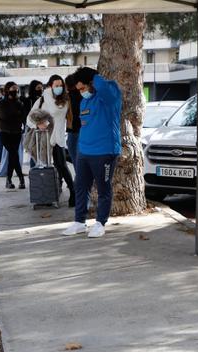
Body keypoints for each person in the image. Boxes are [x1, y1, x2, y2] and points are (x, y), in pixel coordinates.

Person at [61, 67, 122, 239]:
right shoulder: (85, 101)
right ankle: (80, 222)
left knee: (103, 189)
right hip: (84, 151)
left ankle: (100, 223)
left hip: (105, 151)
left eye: (83, 88)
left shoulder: (110, 93)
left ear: (91, 82)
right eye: (79, 90)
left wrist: (93, 76)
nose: (81, 92)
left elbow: (102, 87)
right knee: (80, 186)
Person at [27, 74, 75, 207]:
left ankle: (72, 192)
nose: (59, 88)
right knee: (45, 166)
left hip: (58, 138)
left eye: (61, 85)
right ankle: (48, 194)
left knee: (61, 166)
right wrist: (38, 124)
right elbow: (29, 118)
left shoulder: (65, 99)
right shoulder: (42, 100)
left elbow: (63, 115)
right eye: (56, 85)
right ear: (50, 86)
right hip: (44, 139)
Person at [0, 81, 27, 190]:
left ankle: (9, 180)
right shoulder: (2, 103)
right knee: (14, 154)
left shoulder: (19, 103)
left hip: (17, 132)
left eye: (16, 89)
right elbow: (4, 116)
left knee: (13, 155)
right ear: (7, 90)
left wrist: (15, 115)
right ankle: (21, 179)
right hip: (5, 133)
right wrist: (16, 115)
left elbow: (23, 117)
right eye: (13, 89)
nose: (15, 91)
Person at [64, 74, 82, 169]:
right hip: (80, 130)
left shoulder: (67, 97)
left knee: (75, 158)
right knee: (78, 158)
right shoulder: (82, 95)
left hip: (73, 130)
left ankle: (80, 179)